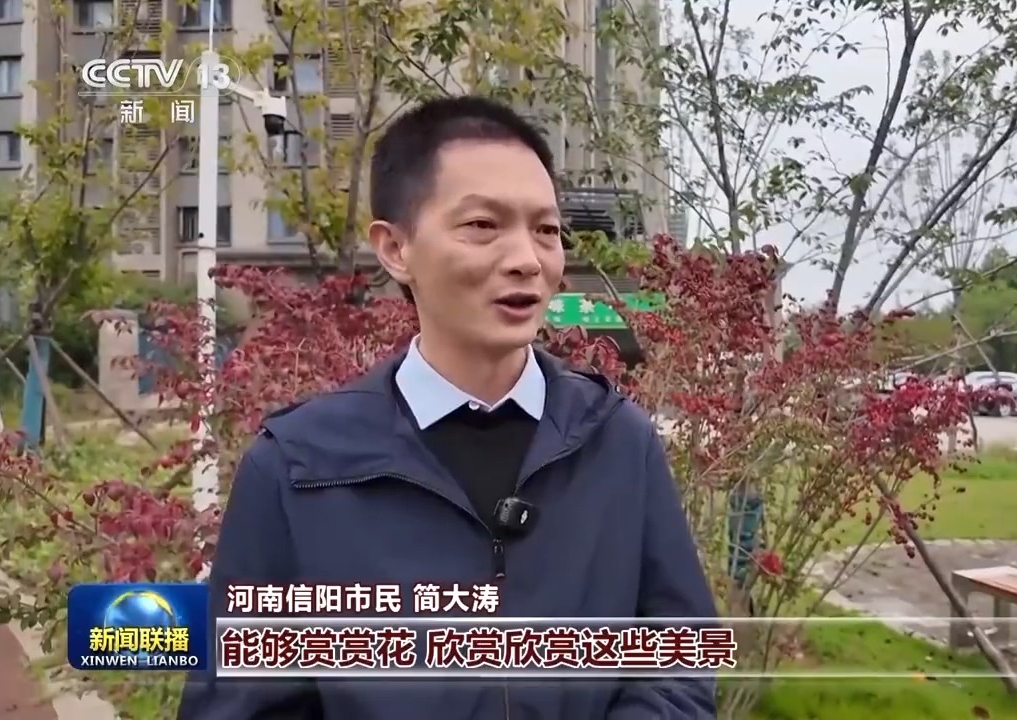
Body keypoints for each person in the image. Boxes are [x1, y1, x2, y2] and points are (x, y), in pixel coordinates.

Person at [176, 96, 718, 719]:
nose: (527, 260)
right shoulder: (299, 466)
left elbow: (679, 663)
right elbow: (242, 703)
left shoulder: (616, 441)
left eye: (546, 230)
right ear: (395, 248)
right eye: (483, 225)